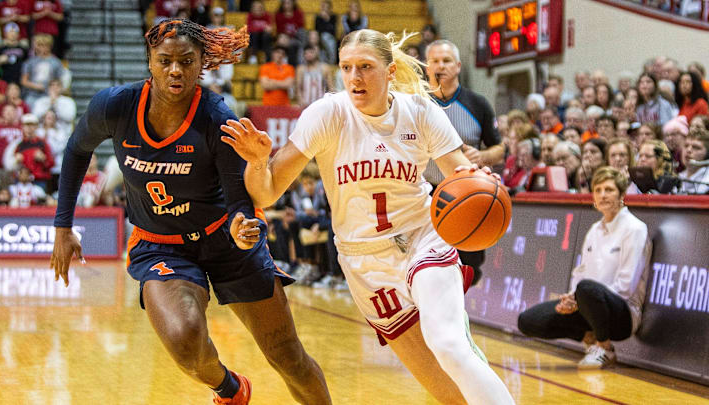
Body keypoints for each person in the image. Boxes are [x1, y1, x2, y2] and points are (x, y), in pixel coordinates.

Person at [220, 28, 514, 405]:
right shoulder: (327, 114)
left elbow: (460, 173)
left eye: (365, 67)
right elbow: (265, 191)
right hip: (364, 263)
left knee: (451, 345)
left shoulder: (420, 111)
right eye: (347, 67)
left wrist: (481, 182)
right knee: (446, 392)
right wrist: (259, 162)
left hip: (423, 238)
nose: (355, 77)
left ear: (390, 72)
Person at [49, 19, 331, 405]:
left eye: (186, 61)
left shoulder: (218, 117)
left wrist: (241, 226)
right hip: (161, 246)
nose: (175, 70)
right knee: (184, 341)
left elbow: (237, 202)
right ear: (150, 60)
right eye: (165, 60)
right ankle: (230, 389)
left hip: (223, 239)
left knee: (288, 357)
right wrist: (63, 226)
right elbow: (77, 150)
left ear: (202, 64)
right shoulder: (114, 106)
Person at [518, 167, 651, 368]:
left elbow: (626, 286)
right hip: (589, 305)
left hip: (622, 314)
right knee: (528, 321)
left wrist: (583, 296)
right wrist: (572, 298)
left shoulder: (635, 229)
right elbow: (580, 272)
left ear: (622, 195)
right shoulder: (594, 230)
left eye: (609, 190)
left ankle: (604, 348)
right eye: (598, 190)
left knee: (587, 289)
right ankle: (590, 340)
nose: (603, 195)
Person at [424, 39, 505, 284]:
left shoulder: (477, 103)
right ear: (426, 67)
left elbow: (500, 148)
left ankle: (460, 317)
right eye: (435, 61)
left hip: (467, 195)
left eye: (446, 60)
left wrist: (483, 156)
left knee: (466, 269)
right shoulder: (415, 104)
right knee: (427, 267)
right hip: (426, 195)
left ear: (458, 66)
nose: (441, 66)